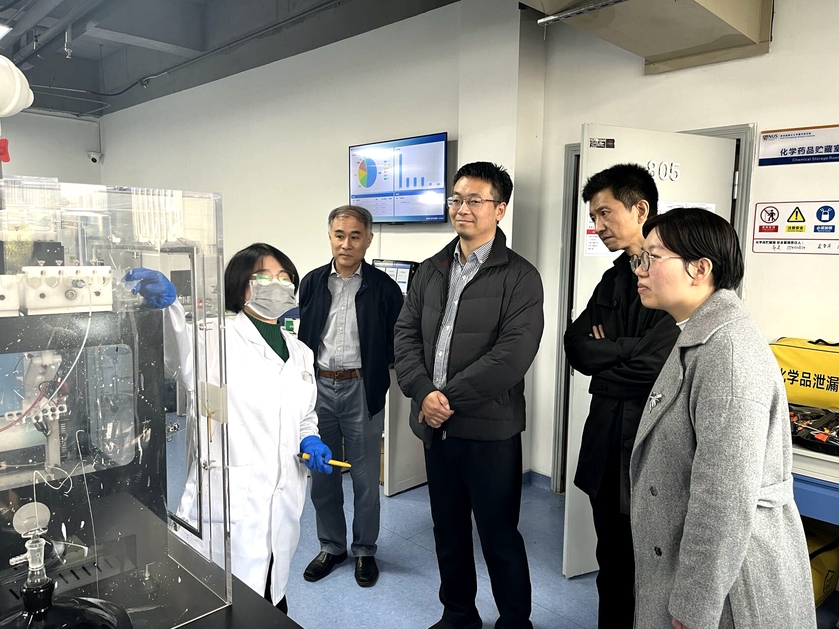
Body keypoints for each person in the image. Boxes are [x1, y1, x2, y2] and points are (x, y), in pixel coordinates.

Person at [630, 207, 815, 629]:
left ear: (700, 269)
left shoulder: (727, 354)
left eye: (652, 257)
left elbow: (724, 498)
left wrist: (694, 606)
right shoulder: (701, 335)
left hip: (732, 587)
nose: (639, 269)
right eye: (640, 257)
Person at [125, 243, 334, 614]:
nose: (278, 285)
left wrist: (310, 438)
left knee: (272, 596)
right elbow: (177, 354)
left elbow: (304, 413)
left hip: (283, 499)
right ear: (241, 286)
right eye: (265, 277)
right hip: (229, 505)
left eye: (285, 278)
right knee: (222, 604)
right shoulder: (214, 337)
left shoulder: (300, 352)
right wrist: (167, 308)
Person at [394, 162, 544, 629]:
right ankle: (458, 614)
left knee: (499, 535)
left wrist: (445, 399)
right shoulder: (431, 269)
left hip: (489, 429)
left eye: (475, 200)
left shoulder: (520, 276)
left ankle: (515, 621)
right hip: (436, 428)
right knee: (449, 530)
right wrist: (423, 392)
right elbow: (404, 335)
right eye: (456, 199)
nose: (462, 208)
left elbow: (512, 355)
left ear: (500, 209)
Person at [563, 163, 680, 628]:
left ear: (641, 209)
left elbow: (659, 365)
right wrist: (628, 349)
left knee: (652, 570)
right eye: (593, 216)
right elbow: (577, 346)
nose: (598, 225)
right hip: (605, 443)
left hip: (652, 448)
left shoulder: (676, 277)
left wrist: (608, 355)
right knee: (610, 563)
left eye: (605, 212)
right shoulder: (614, 278)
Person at [297, 205, 403, 588]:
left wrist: (376, 373)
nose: (346, 244)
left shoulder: (384, 288)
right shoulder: (312, 282)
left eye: (355, 236)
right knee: (323, 474)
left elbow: (397, 341)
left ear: (368, 240)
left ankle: (364, 550)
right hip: (319, 388)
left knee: (364, 478)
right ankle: (331, 546)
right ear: (330, 237)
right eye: (339, 235)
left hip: (361, 388)